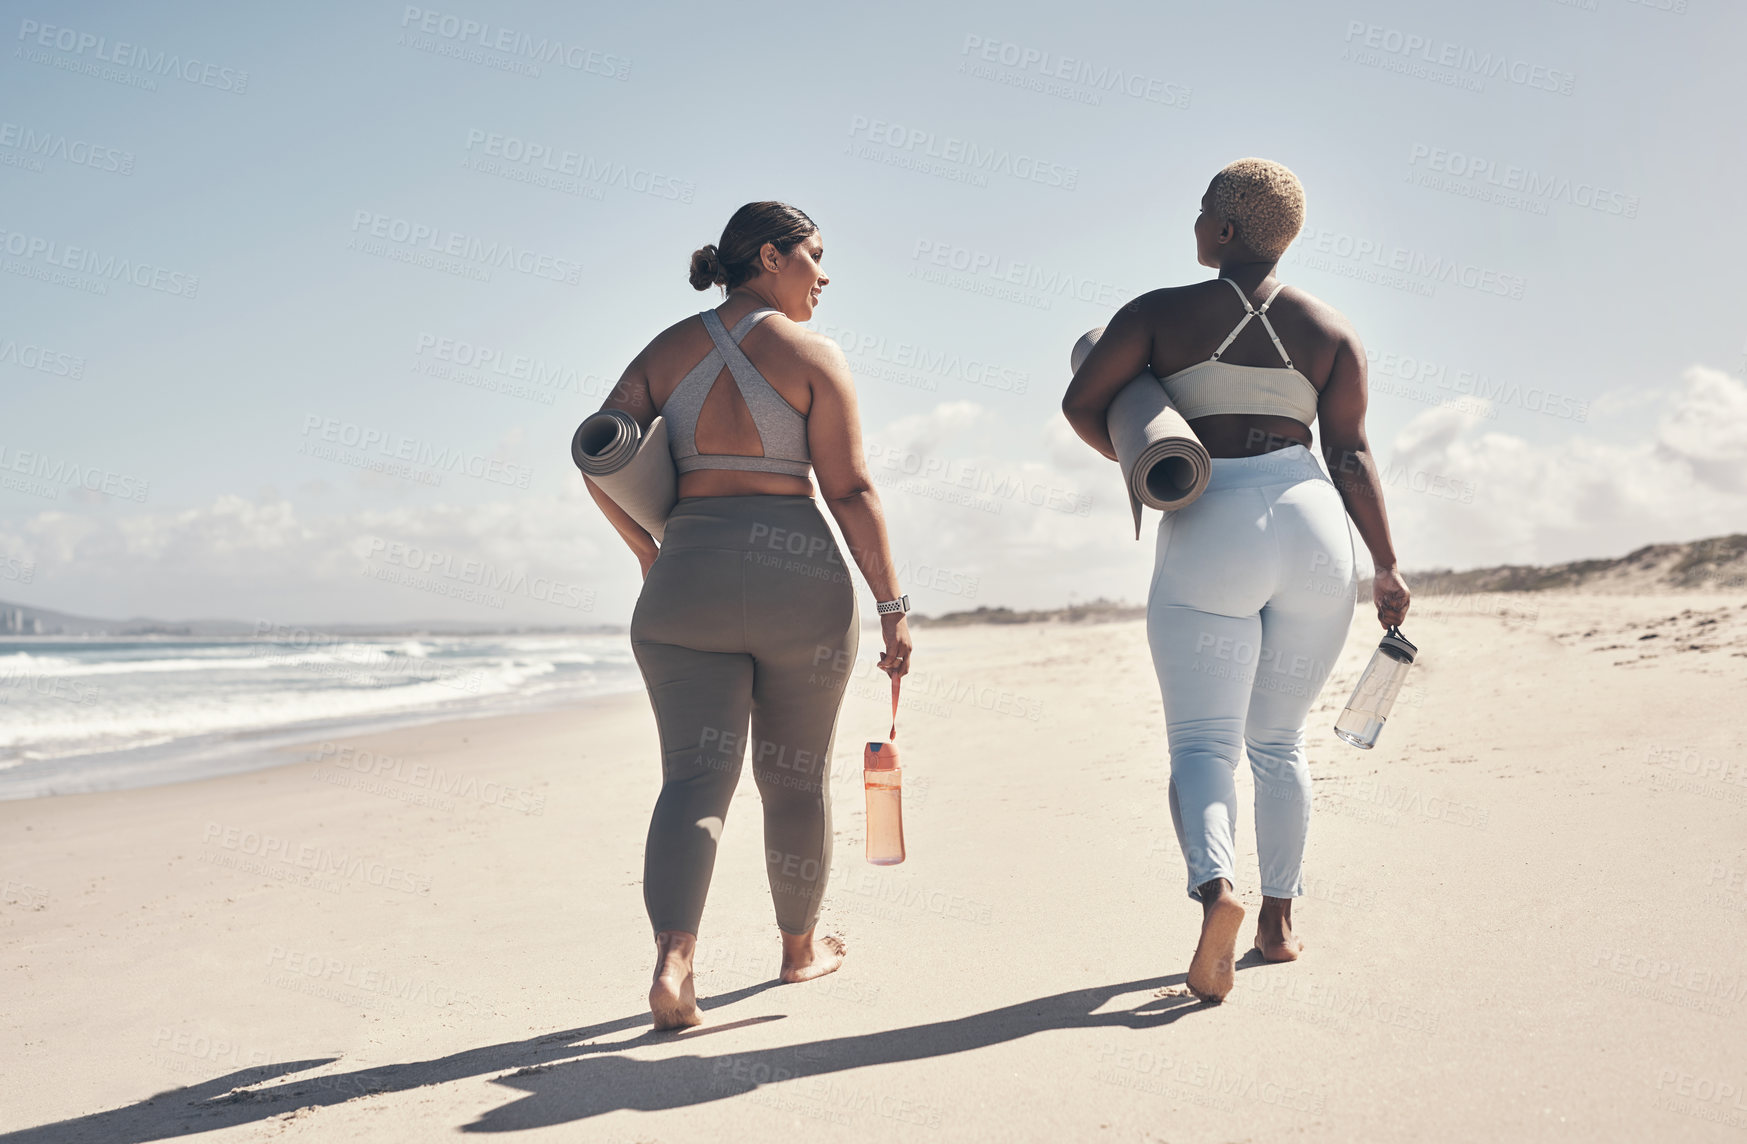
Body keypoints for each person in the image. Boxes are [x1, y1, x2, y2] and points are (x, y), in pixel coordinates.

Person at [1061, 159, 1411, 1003]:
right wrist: (1388, 565)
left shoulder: (1155, 315)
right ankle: (1279, 923)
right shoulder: (1332, 332)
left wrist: (1153, 461)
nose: (1192, 226)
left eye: (1199, 214)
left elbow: (1083, 403)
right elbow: (1351, 452)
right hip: (1314, 526)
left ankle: (1217, 890)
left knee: (1202, 744)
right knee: (1277, 742)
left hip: (1210, 518)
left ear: (1222, 231)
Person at [584, 201, 914, 1029]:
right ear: (769, 257)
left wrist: (645, 551)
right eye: (814, 256)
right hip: (796, 581)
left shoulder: (663, 350)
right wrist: (892, 607)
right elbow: (849, 488)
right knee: (793, 778)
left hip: (684, 579)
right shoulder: (810, 353)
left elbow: (596, 454)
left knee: (692, 781)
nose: (824, 275)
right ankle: (799, 953)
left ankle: (673, 967)